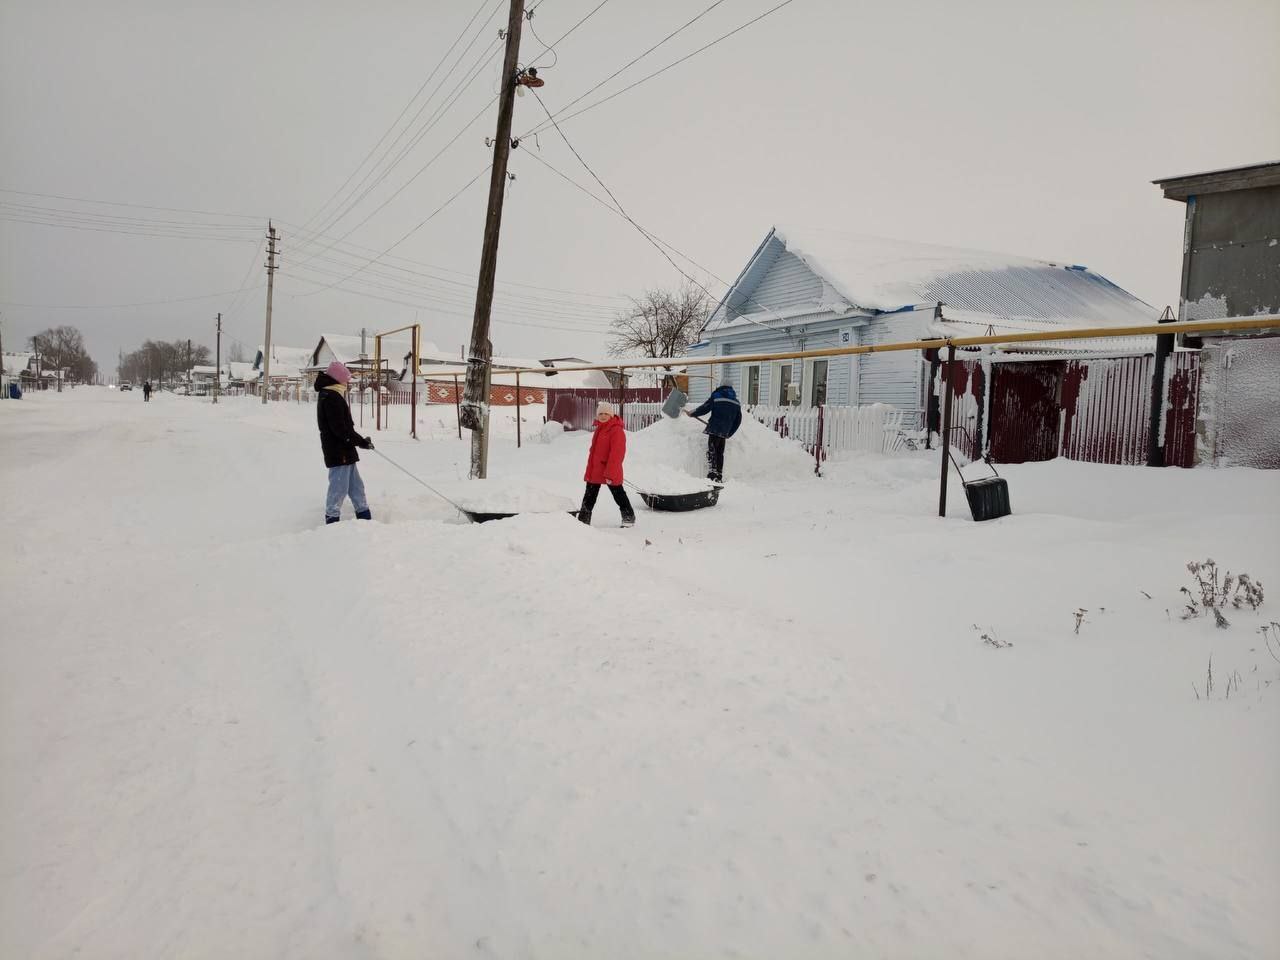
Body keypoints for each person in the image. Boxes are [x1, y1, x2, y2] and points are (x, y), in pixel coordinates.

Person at [314, 361, 374, 524]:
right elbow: (340, 430)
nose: (347, 383)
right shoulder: (331, 397)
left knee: (356, 487)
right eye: (346, 380)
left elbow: (345, 428)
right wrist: (361, 442)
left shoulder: (332, 394)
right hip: (338, 451)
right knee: (338, 488)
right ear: (338, 379)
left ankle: (365, 519)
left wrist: (361, 441)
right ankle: (332, 520)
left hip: (345, 451)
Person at [579, 401, 635, 528]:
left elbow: (617, 454)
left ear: (611, 415)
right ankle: (583, 519)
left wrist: (610, 473)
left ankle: (629, 517)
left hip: (610, 470)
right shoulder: (599, 429)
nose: (603, 416)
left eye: (606, 414)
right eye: (600, 414)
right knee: (589, 495)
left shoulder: (616, 430)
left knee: (618, 494)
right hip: (596, 469)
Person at [687, 381, 742, 483]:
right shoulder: (736, 402)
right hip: (724, 431)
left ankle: (712, 474)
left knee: (712, 450)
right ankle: (719, 475)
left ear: (721, 386)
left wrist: (693, 413)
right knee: (720, 453)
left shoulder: (716, 396)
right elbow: (738, 421)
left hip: (714, 428)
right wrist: (729, 433)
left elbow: (705, 408)